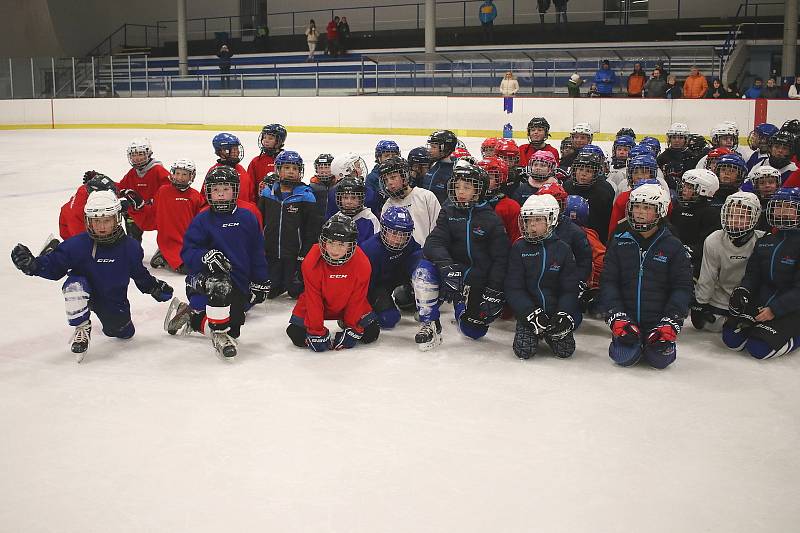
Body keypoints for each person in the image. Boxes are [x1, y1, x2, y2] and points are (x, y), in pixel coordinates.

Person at [10, 190, 174, 362]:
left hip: (112, 298)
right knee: (74, 286)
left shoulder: (130, 248)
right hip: (85, 288)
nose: (101, 226)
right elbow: (55, 266)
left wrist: (154, 287)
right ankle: (81, 326)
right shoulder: (78, 244)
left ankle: (115, 322)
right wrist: (34, 266)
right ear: (89, 221)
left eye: (106, 221)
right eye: (96, 221)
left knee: (122, 332)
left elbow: (139, 274)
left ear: (117, 219)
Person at [164, 166, 269, 359]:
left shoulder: (248, 217)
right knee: (220, 294)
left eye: (226, 189)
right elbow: (187, 253)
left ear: (235, 190)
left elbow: (257, 252)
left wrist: (261, 281)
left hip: (238, 282)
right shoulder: (202, 219)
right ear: (208, 192)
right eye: (215, 190)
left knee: (234, 328)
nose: (220, 195)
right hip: (205, 281)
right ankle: (216, 330)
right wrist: (204, 256)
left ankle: (191, 315)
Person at [417, 163, 510, 348]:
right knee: (424, 269)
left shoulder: (491, 219)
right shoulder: (449, 211)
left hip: (476, 281)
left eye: (467, 187)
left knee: (474, 332)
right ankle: (430, 322)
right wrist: (446, 266)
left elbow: (501, 259)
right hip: (451, 273)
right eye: (457, 186)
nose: (460, 191)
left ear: (479, 190)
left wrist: (494, 290)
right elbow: (434, 242)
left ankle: (460, 304)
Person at [601, 183, 692, 369]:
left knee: (659, 361)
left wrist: (671, 321)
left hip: (658, 322)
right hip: (627, 320)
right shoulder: (619, 242)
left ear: (660, 212)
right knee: (623, 357)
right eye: (636, 206)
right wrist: (617, 316)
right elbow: (609, 283)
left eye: (647, 207)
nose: (640, 212)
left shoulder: (673, 246)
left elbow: (682, 287)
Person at [723, 187, 800, 359]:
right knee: (731, 338)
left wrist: (775, 309)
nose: (782, 212)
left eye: (789, 207)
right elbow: (753, 275)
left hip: (791, 307)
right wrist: (744, 290)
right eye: (778, 206)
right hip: (762, 300)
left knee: (758, 349)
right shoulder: (766, 240)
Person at [286, 213, 379, 352]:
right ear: (324, 242)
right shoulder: (311, 260)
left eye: (341, 244)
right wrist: (316, 332)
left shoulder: (362, 263)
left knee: (371, 333)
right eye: (331, 243)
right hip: (318, 304)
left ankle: (344, 321)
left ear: (351, 245)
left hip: (349, 303)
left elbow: (357, 298)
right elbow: (313, 298)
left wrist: (352, 328)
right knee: (295, 334)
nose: (335, 250)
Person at [505, 194, 580, 359]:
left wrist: (563, 313)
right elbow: (513, 287)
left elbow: (569, 289)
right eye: (528, 219)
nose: (532, 224)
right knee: (524, 351)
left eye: (538, 219)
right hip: (529, 313)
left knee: (565, 351)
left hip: (555, 313)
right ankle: (530, 328)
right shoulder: (519, 248)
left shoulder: (563, 249)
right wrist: (529, 313)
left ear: (551, 220)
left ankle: (552, 329)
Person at [692, 192, 764, 332]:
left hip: (750, 299)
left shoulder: (762, 240)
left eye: (742, 216)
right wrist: (701, 303)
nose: (735, 221)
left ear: (754, 217)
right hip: (721, 299)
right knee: (709, 325)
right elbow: (708, 276)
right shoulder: (714, 240)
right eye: (731, 215)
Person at [258, 151, 321, 300]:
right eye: (286, 167)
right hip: (271, 252)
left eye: (295, 168)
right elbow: (260, 221)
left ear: (300, 172)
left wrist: (304, 254)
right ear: (278, 170)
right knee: (270, 292)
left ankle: (290, 280)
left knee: (296, 291)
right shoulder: (268, 193)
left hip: (294, 255)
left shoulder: (306, 196)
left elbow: (312, 229)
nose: (291, 172)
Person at [361, 206, 424, 332]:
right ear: (383, 229)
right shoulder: (369, 249)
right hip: (377, 286)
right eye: (394, 233)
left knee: (422, 262)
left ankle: (405, 297)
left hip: (399, 278)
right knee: (388, 319)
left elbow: (418, 259)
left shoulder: (409, 242)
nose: (398, 239)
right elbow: (364, 285)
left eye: (403, 234)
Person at [148, 159, 207, 273]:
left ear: (192, 176)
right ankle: (164, 255)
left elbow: (201, 218)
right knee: (187, 269)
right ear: (172, 174)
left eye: (184, 174)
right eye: (177, 173)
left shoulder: (195, 195)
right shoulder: (163, 191)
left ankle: (163, 256)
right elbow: (153, 214)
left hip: (189, 240)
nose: (180, 177)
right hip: (169, 241)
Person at [117, 137, 171, 245]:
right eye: (133, 155)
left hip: (158, 212)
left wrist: (153, 202)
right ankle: (134, 247)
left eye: (140, 154)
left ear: (148, 153)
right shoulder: (133, 173)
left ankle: (167, 247)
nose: (137, 158)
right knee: (127, 208)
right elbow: (120, 189)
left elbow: (170, 192)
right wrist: (105, 182)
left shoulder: (158, 170)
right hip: (141, 211)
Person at [669, 168, 721, 277]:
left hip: (697, 266)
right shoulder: (678, 208)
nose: (684, 190)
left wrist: (688, 251)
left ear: (704, 190)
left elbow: (706, 245)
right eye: (684, 186)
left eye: (690, 187)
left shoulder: (711, 214)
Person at [379, 156, 441, 247]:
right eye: (385, 180)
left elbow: (438, 229)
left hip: (427, 254)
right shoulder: (387, 206)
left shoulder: (426, 197)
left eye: (393, 177)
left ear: (405, 176)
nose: (389, 183)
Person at [563, 151, 615, 245]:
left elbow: (607, 220)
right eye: (580, 170)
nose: (583, 174)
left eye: (588, 171)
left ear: (595, 173)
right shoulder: (566, 186)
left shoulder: (604, 190)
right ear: (574, 170)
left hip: (597, 238)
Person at [59, 171, 118, 241]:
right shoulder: (78, 215)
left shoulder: (91, 190)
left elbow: (111, 188)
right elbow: (82, 244)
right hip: (70, 231)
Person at [206, 133, 256, 204]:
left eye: (236, 148)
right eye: (232, 149)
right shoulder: (213, 172)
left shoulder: (241, 169)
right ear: (221, 151)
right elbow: (205, 198)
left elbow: (251, 195)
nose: (236, 152)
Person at [334, 178, 380, 245]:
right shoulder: (336, 218)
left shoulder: (371, 219)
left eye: (353, 198)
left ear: (360, 199)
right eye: (345, 197)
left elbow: (375, 246)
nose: (349, 202)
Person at [420, 129, 458, 205]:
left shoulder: (455, 169)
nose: (430, 150)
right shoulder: (432, 164)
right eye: (430, 146)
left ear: (446, 148)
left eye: (434, 147)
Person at [247, 124, 286, 193]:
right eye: (264, 137)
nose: (266, 141)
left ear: (279, 141)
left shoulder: (287, 160)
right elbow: (250, 187)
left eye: (270, 138)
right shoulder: (256, 161)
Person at [309, 153, 336, 218]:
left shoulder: (338, 185)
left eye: (326, 167)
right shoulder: (311, 187)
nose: (323, 171)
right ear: (316, 169)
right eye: (320, 167)